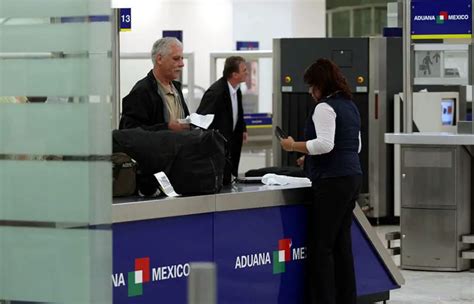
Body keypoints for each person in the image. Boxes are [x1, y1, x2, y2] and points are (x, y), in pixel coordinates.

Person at [279, 58, 362, 304]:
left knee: (321, 246)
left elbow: (325, 144)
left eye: (311, 85)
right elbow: (354, 145)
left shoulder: (325, 107)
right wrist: (311, 159)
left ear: (320, 84)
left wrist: (293, 145)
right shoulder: (350, 105)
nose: (310, 91)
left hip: (332, 182)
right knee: (342, 244)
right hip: (351, 177)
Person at [119, 37, 190, 131]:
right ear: (159, 59)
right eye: (176, 59)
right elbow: (129, 133)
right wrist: (167, 128)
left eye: (182, 58)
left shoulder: (176, 89)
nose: (182, 64)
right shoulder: (141, 92)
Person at [197, 56, 248, 184]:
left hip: (233, 140)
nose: (247, 72)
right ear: (234, 74)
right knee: (221, 178)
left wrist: (243, 129)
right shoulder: (216, 92)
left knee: (232, 174)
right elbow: (202, 117)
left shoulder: (237, 90)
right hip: (219, 143)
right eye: (244, 70)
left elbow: (239, 111)